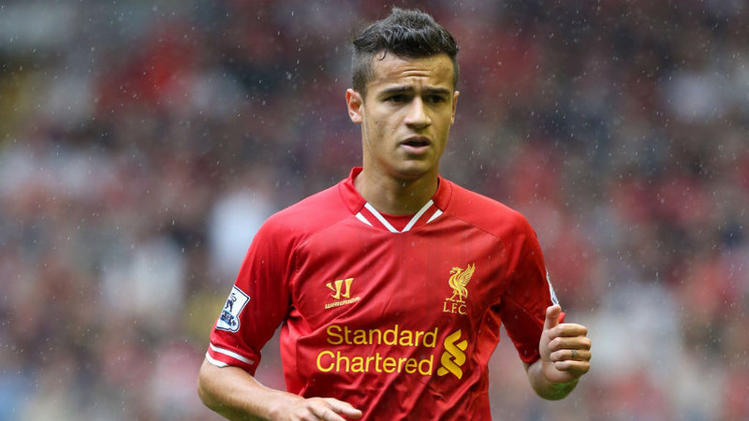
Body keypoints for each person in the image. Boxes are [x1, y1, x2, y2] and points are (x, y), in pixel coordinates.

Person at [197, 8, 591, 420]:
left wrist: (558, 374)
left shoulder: (504, 234)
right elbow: (217, 373)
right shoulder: (288, 235)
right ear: (356, 105)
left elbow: (544, 373)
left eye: (434, 99)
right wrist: (282, 406)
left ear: (453, 108)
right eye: (397, 98)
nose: (418, 117)